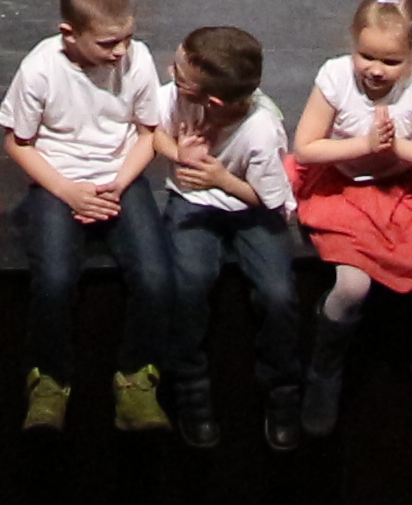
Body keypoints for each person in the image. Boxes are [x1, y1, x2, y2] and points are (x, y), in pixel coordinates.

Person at [0, 0, 177, 439]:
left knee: (156, 276)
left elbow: (148, 133)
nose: (120, 51)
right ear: (69, 34)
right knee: (55, 279)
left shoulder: (136, 60)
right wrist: (67, 190)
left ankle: (136, 378)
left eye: (127, 38)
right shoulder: (40, 69)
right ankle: (49, 380)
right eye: (107, 43)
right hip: (60, 180)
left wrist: (119, 182)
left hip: (119, 178)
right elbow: (18, 143)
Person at [291, 0, 412, 434]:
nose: (376, 69)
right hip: (344, 189)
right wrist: (365, 144)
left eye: (391, 61)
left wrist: (399, 149)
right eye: (366, 56)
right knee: (352, 286)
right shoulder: (335, 76)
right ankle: (324, 370)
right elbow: (306, 147)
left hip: (403, 190)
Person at [127, 27, 306, 452]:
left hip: (250, 206)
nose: (170, 74)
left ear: (215, 102)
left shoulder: (261, 130)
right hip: (193, 201)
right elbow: (155, 130)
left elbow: (268, 199)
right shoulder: (175, 97)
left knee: (279, 294)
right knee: (188, 285)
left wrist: (221, 179)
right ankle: (190, 384)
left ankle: (282, 387)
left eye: (180, 74)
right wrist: (178, 154)